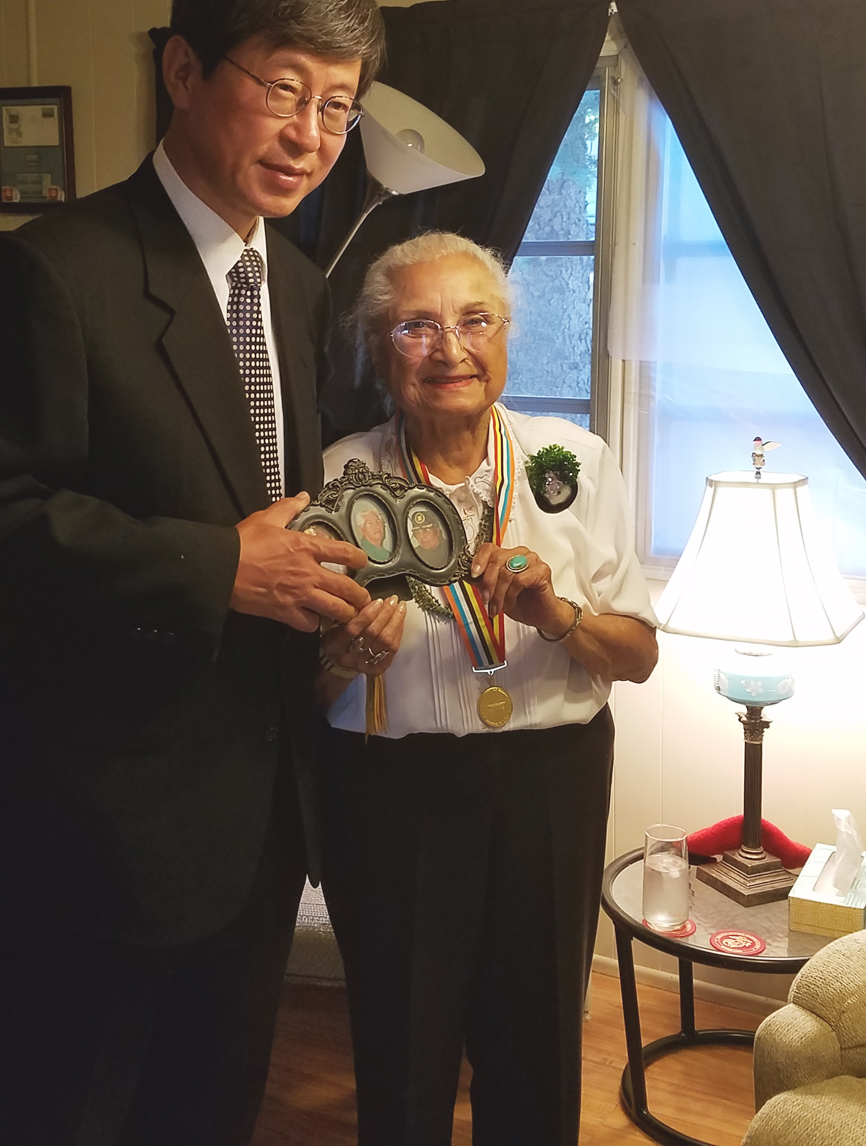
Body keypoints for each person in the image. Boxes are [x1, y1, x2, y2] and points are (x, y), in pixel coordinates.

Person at [0, 0, 399, 1146]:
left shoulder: (296, 284)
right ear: (183, 69)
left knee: (206, 1113)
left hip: (257, 814)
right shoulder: (51, 271)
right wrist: (223, 566)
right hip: (93, 823)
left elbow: (271, 500)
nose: (311, 135)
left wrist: (334, 595)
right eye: (283, 87)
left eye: (337, 106)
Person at [317, 231, 659, 1145]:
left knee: (537, 1045)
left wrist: (557, 615)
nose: (450, 349)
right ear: (378, 347)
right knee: (401, 1044)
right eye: (416, 326)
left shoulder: (575, 462)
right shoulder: (337, 475)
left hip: (550, 781)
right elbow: (296, 687)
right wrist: (346, 656)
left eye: (475, 321)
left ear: (506, 335)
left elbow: (637, 656)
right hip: (390, 792)